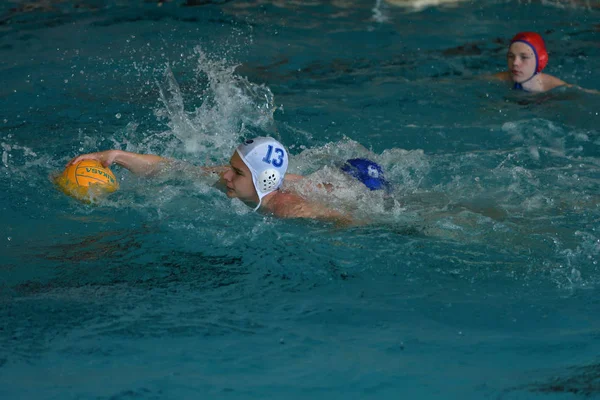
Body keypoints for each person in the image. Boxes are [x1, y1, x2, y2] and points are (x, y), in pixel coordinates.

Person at [66, 137, 391, 224]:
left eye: (236, 172)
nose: (224, 175)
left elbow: (353, 220)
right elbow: (175, 168)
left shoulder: (290, 210)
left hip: (362, 185)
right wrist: (116, 156)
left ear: (264, 181)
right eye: (231, 167)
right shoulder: (243, 183)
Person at [492, 32, 568, 93]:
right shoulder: (498, 80)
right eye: (511, 56)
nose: (515, 63)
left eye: (524, 57)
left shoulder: (558, 89)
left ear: (540, 60)